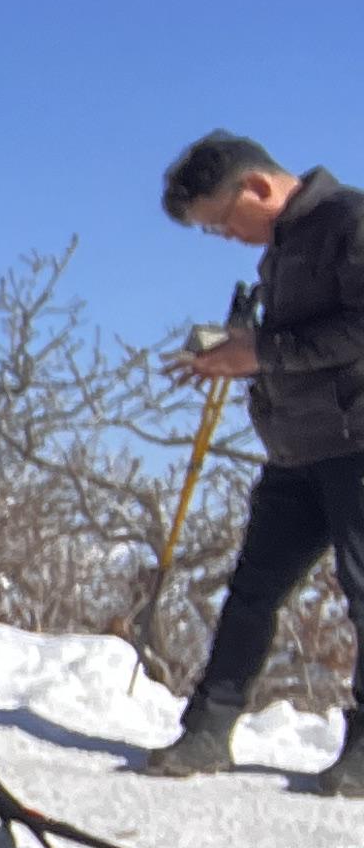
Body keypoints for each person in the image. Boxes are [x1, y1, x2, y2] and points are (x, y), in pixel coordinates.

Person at [140, 131, 364, 790]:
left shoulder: (350, 220)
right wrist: (239, 349)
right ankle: (208, 729)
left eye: (221, 222)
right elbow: (297, 340)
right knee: (251, 593)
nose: (226, 238)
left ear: (257, 187)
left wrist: (260, 352)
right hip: (296, 448)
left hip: (357, 443)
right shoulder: (283, 247)